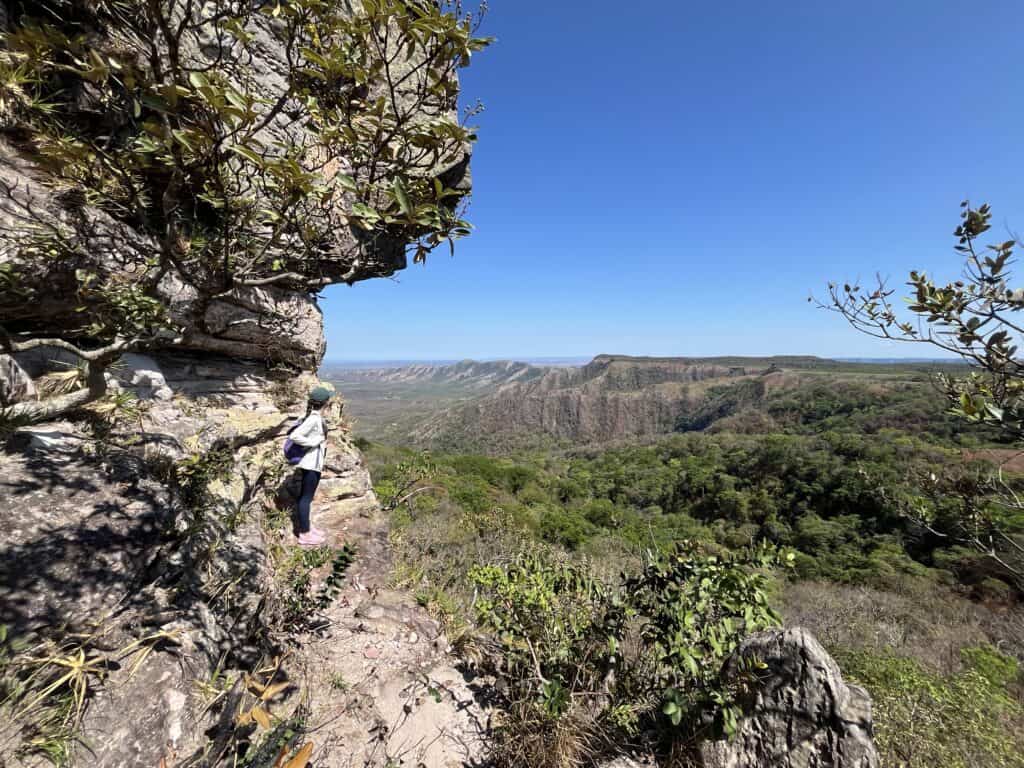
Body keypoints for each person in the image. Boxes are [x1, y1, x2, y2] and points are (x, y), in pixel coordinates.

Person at [289, 383, 335, 548]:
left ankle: (308, 527)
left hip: (313, 463)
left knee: (306, 497)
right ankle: (305, 534)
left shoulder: (314, 416)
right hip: (310, 464)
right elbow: (295, 435)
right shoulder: (314, 419)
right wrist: (313, 442)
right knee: (306, 498)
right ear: (326, 402)